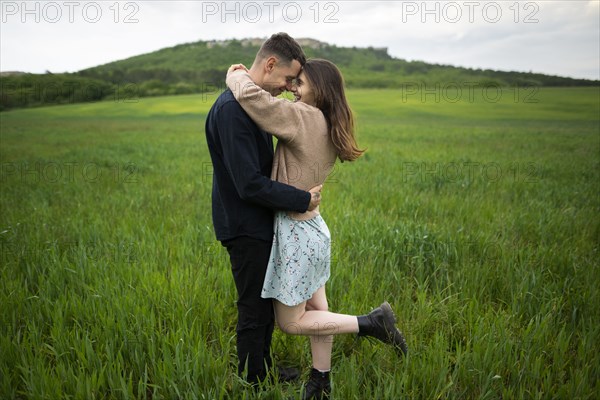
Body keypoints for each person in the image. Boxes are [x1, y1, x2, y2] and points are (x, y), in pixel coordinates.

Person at [226, 59, 408, 399]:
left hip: (296, 235)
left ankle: (371, 322)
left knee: (291, 322)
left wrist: (235, 74)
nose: (294, 89)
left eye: (301, 84)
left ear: (319, 91)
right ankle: (320, 380)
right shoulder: (327, 121)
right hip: (313, 229)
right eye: (294, 82)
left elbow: (256, 101)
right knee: (318, 312)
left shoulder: (303, 117)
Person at [204, 33, 324, 385]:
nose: (289, 88)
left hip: (257, 221)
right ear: (270, 64)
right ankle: (252, 381)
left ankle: (263, 369)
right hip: (244, 225)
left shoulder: (249, 105)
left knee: (263, 302)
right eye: (289, 79)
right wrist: (302, 199)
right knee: (253, 307)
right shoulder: (231, 112)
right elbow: (249, 183)